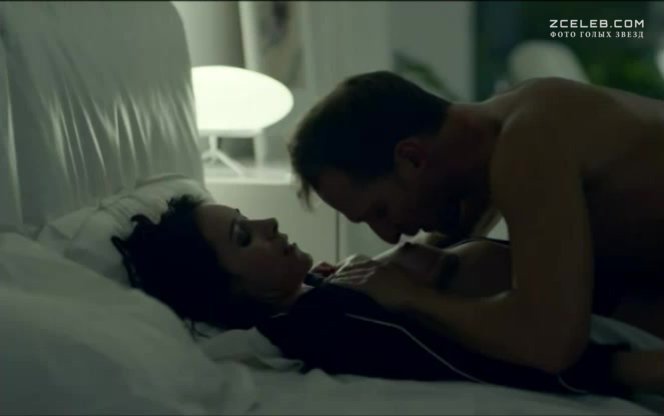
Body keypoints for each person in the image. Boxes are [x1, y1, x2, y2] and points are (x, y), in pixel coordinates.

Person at [287, 71, 664, 373]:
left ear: (412, 158)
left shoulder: (529, 142)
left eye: (381, 211)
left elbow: (549, 343)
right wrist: (361, 275)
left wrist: (410, 296)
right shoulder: (493, 136)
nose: (388, 234)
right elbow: (441, 244)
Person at [110, 195, 664, 398]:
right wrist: (619, 368)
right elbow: (452, 357)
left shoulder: (328, 288)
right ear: (230, 293)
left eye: (245, 217)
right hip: (598, 345)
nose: (269, 223)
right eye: (243, 236)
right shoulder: (323, 317)